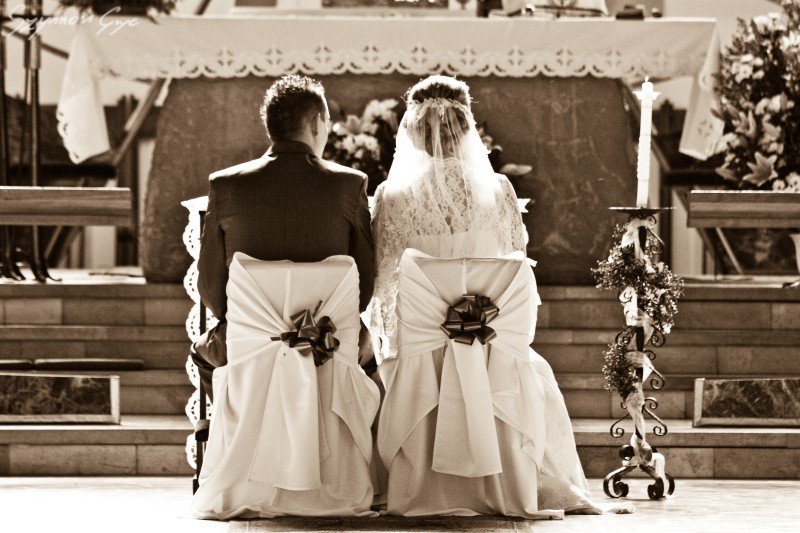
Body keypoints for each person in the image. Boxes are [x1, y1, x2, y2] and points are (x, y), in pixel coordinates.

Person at [369, 75, 631, 518]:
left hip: (424, 353)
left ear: (411, 131)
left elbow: (382, 284)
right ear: (468, 128)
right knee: (531, 369)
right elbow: (516, 267)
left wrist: (399, 342)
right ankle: (509, 479)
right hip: (490, 344)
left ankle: (419, 484)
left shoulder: (391, 197)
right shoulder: (499, 190)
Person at [191, 75, 376, 400]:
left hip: (250, 339)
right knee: (370, 353)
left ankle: (233, 423)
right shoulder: (349, 185)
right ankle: (349, 426)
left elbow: (211, 292)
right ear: (316, 122)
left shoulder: (226, 185)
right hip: (328, 339)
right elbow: (363, 290)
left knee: (203, 352)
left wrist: (258, 322)